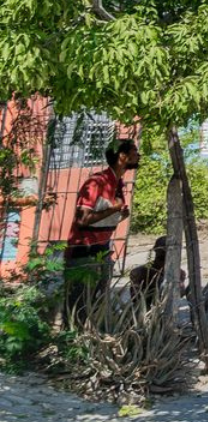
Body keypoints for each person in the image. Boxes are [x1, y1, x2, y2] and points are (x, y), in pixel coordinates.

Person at [64, 137, 139, 327]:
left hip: (103, 247)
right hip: (84, 251)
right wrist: (113, 210)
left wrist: (119, 214)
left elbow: (105, 219)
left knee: (97, 301)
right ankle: (72, 341)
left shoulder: (118, 184)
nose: (138, 156)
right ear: (122, 156)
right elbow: (82, 220)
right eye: (134, 152)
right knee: (78, 304)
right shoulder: (96, 183)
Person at [127, 236, 174, 308]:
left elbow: (179, 293)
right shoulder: (141, 272)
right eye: (162, 250)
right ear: (155, 250)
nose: (164, 252)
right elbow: (135, 297)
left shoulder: (178, 273)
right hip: (144, 309)